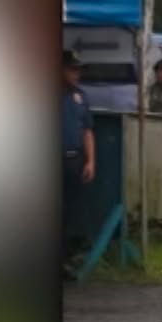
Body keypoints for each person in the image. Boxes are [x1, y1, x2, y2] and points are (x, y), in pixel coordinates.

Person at [60, 50, 95, 271]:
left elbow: (87, 130)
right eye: (72, 69)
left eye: (78, 69)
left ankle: (66, 259)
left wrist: (91, 161)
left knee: (71, 212)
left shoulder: (79, 96)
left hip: (73, 159)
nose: (77, 74)